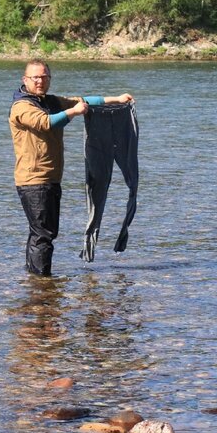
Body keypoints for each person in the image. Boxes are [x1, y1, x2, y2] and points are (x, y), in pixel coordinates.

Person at [9, 59, 133, 276]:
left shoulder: (49, 101)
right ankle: (41, 281)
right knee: (44, 234)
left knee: (41, 232)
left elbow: (84, 100)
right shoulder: (22, 106)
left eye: (44, 77)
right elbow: (46, 123)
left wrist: (116, 99)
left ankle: (35, 280)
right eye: (35, 77)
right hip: (33, 181)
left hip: (50, 179)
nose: (40, 81)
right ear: (25, 80)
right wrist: (73, 113)